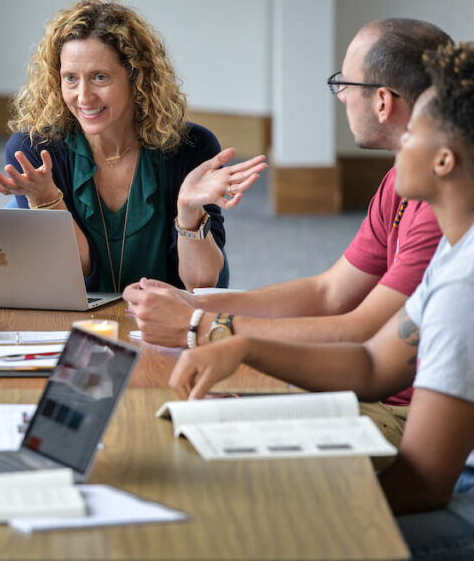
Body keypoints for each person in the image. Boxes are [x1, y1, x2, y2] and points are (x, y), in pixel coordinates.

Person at [169, 41, 474, 559]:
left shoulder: (464, 285)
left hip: (458, 500)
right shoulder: (455, 257)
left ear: (444, 159)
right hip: (438, 479)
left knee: (258, 534)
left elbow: (423, 484)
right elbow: (375, 363)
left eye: (414, 136)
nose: (401, 145)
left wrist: (286, 502)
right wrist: (243, 347)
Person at [125, 19, 453, 443]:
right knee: (180, 414)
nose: (341, 97)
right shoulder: (400, 181)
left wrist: (201, 325)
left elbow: (360, 332)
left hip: (402, 411)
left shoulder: (437, 205)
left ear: (383, 102)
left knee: (187, 432)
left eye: (344, 84)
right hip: (370, 391)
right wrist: (194, 302)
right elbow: (328, 294)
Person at [0, 0, 266, 292]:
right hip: (79, 314)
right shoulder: (34, 150)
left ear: (136, 77)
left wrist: (188, 211)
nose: (83, 97)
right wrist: (46, 200)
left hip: (164, 316)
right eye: (70, 78)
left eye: (100, 77)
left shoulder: (191, 148)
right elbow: (68, 276)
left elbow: (201, 284)